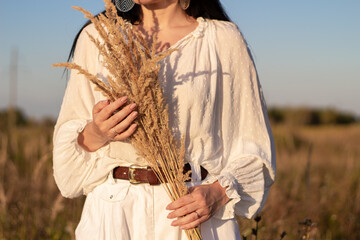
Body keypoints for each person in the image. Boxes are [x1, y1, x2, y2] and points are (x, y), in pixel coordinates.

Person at [53, 0, 276, 239]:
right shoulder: (98, 35)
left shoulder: (222, 39)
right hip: (113, 216)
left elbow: (254, 146)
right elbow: (67, 172)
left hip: (193, 212)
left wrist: (219, 193)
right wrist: (98, 132)